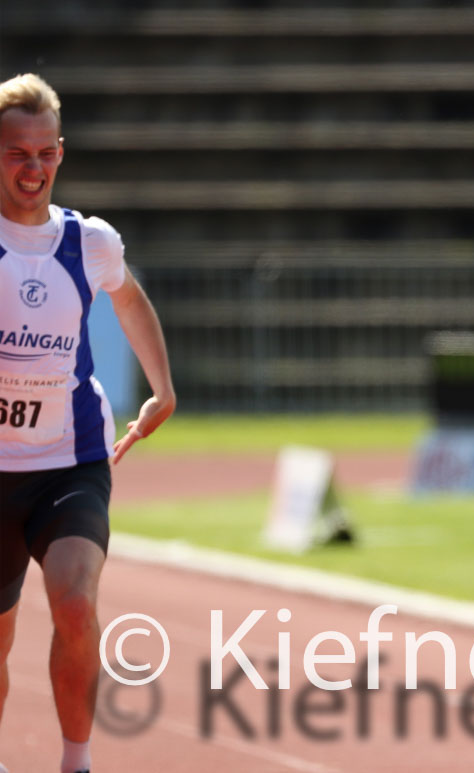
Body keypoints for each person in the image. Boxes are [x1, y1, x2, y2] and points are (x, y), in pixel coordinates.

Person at [0, 73, 176, 773]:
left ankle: (77, 762)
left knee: (74, 601)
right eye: (18, 153)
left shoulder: (89, 241)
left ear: (62, 153)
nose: (33, 168)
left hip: (71, 460)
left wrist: (162, 388)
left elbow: (130, 302)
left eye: (45, 153)